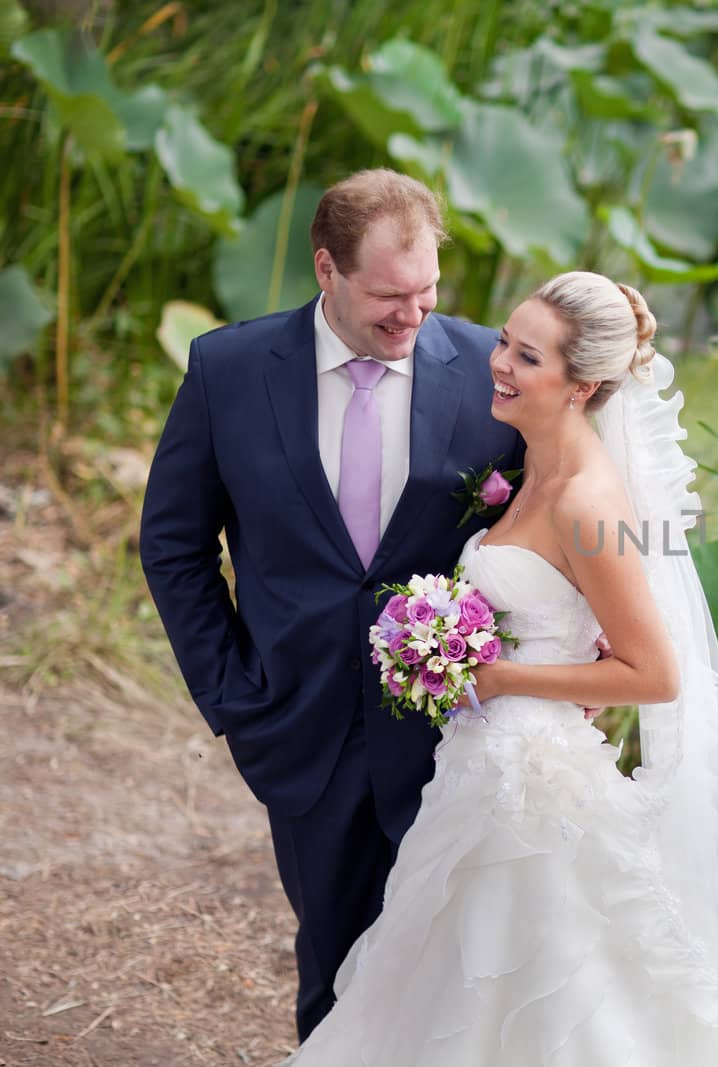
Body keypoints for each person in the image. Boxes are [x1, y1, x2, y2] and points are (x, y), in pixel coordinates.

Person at [282, 271, 718, 1065]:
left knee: (550, 987)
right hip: (485, 763)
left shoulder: (587, 500)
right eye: (507, 342)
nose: (500, 364)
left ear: (581, 387)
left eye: (527, 357)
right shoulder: (527, 467)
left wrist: (504, 676)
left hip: (537, 782)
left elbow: (654, 673)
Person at [139, 169, 526, 1041]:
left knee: (461, 973)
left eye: (427, 292)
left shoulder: (487, 371)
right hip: (300, 720)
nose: (412, 317)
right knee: (336, 971)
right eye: (389, 297)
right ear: (326, 269)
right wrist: (234, 690)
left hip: (458, 732)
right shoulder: (228, 370)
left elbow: (553, 520)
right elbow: (173, 543)